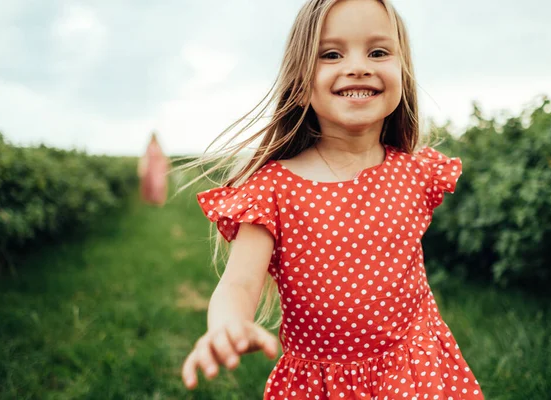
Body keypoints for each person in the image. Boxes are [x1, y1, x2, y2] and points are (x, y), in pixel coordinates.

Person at [179, 0, 485, 398]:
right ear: (301, 81)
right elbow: (239, 282)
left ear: (402, 73)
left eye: (378, 52)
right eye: (331, 54)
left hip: (416, 370)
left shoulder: (414, 171)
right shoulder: (274, 189)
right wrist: (227, 325)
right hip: (320, 386)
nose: (358, 66)